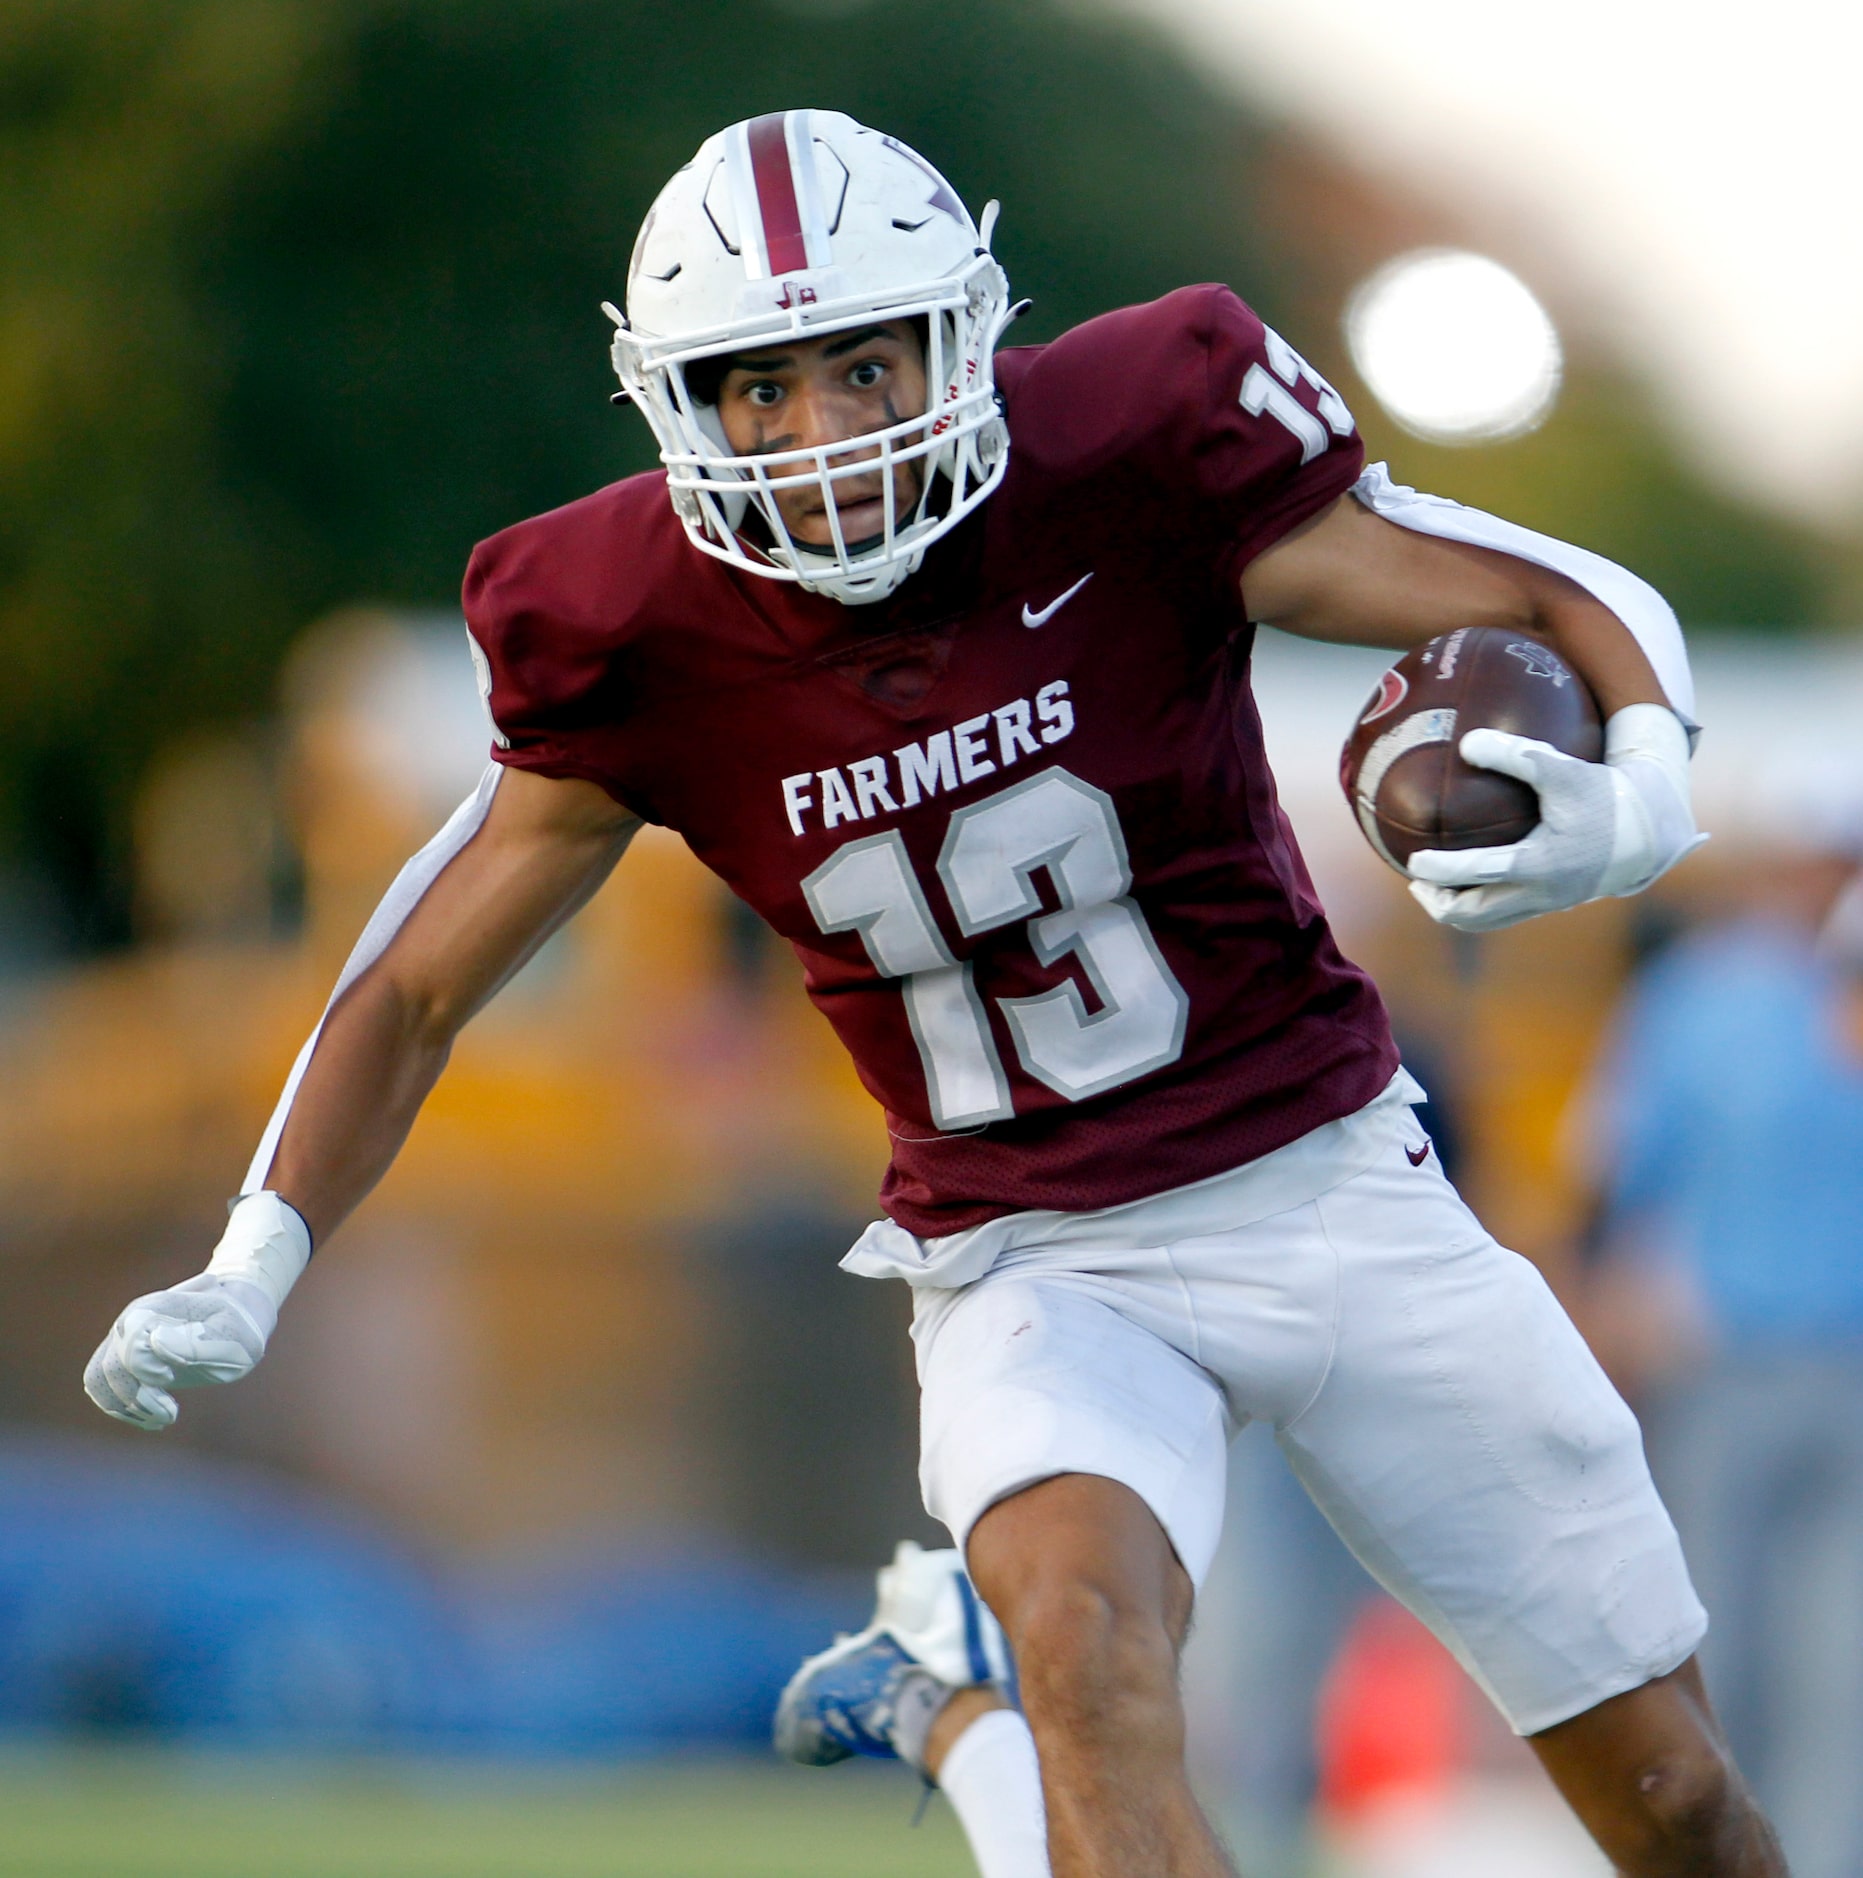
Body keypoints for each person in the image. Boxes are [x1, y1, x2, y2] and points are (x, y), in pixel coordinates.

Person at [83, 110, 1780, 1877]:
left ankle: (958, 1734)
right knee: (1089, 1653)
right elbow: (413, 983)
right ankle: (1000, 1708)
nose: (815, 437)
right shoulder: (634, 626)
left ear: (960, 341)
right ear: (678, 406)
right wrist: (252, 1250)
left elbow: (1526, 585)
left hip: (1331, 1182)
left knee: (1672, 1802)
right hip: (1031, 1256)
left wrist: (1647, 776)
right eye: (756, 388)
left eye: (861, 367)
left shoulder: (1131, 455)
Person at [1578, 831, 1863, 1878]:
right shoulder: (1698, 997)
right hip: (1723, 1366)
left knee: (1844, 1667)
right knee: (1711, 1654)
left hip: (1856, 1373)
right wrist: (1611, 1321)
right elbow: (1617, 1177)